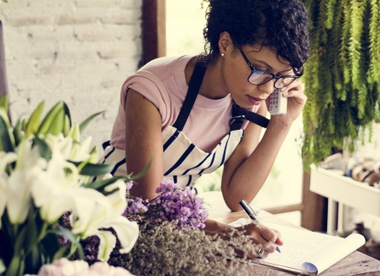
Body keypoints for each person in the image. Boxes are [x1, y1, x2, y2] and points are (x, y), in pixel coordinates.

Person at [100, 0, 309, 258]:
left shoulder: (252, 98)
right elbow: (147, 205)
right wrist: (226, 234)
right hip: (113, 222)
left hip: (181, 232)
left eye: (282, 75)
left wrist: (282, 123)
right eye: (260, 70)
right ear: (225, 44)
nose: (267, 88)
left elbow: (237, 196)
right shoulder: (151, 91)